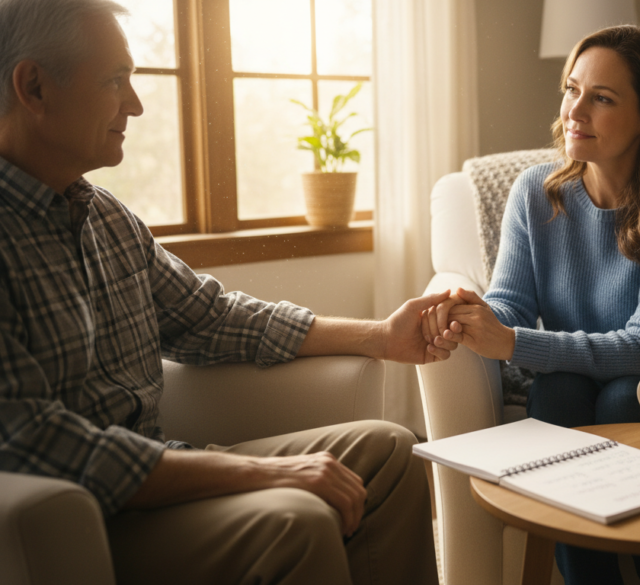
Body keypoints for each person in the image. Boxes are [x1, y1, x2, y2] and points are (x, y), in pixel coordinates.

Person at [0, 1, 450, 583]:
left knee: (390, 453)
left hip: (168, 469)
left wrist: (382, 337)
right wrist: (255, 474)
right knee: (296, 519)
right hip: (82, 518)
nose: (135, 104)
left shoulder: (103, 215)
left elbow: (210, 318)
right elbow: (34, 440)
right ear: (34, 87)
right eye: (115, 80)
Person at [425, 25, 640, 585]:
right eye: (571, 89)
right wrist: (471, 311)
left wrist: (511, 342)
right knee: (555, 392)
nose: (574, 110)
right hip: (578, 376)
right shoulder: (536, 192)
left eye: (601, 98)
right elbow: (511, 303)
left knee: (627, 393)